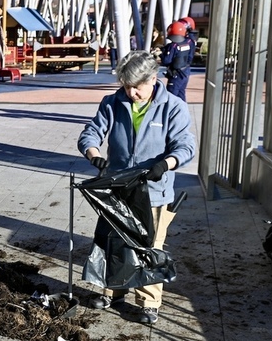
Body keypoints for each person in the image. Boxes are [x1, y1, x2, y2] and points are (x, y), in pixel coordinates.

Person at [78, 50, 195, 324]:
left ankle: (149, 302)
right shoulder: (112, 102)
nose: (131, 93)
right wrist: (94, 155)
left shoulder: (173, 107)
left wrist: (165, 165)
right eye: (126, 86)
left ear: (153, 79)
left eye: (137, 87)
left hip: (153, 191)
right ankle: (111, 291)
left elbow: (185, 146)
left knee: (149, 246)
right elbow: (91, 132)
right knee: (114, 241)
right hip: (118, 190)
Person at [160, 21, 194, 101]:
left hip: (176, 75)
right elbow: (189, 57)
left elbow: (166, 61)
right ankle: (183, 111)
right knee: (181, 95)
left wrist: (162, 54)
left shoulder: (173, 46)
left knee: (171, 97)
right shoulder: (187, 43)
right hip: (185, 72)